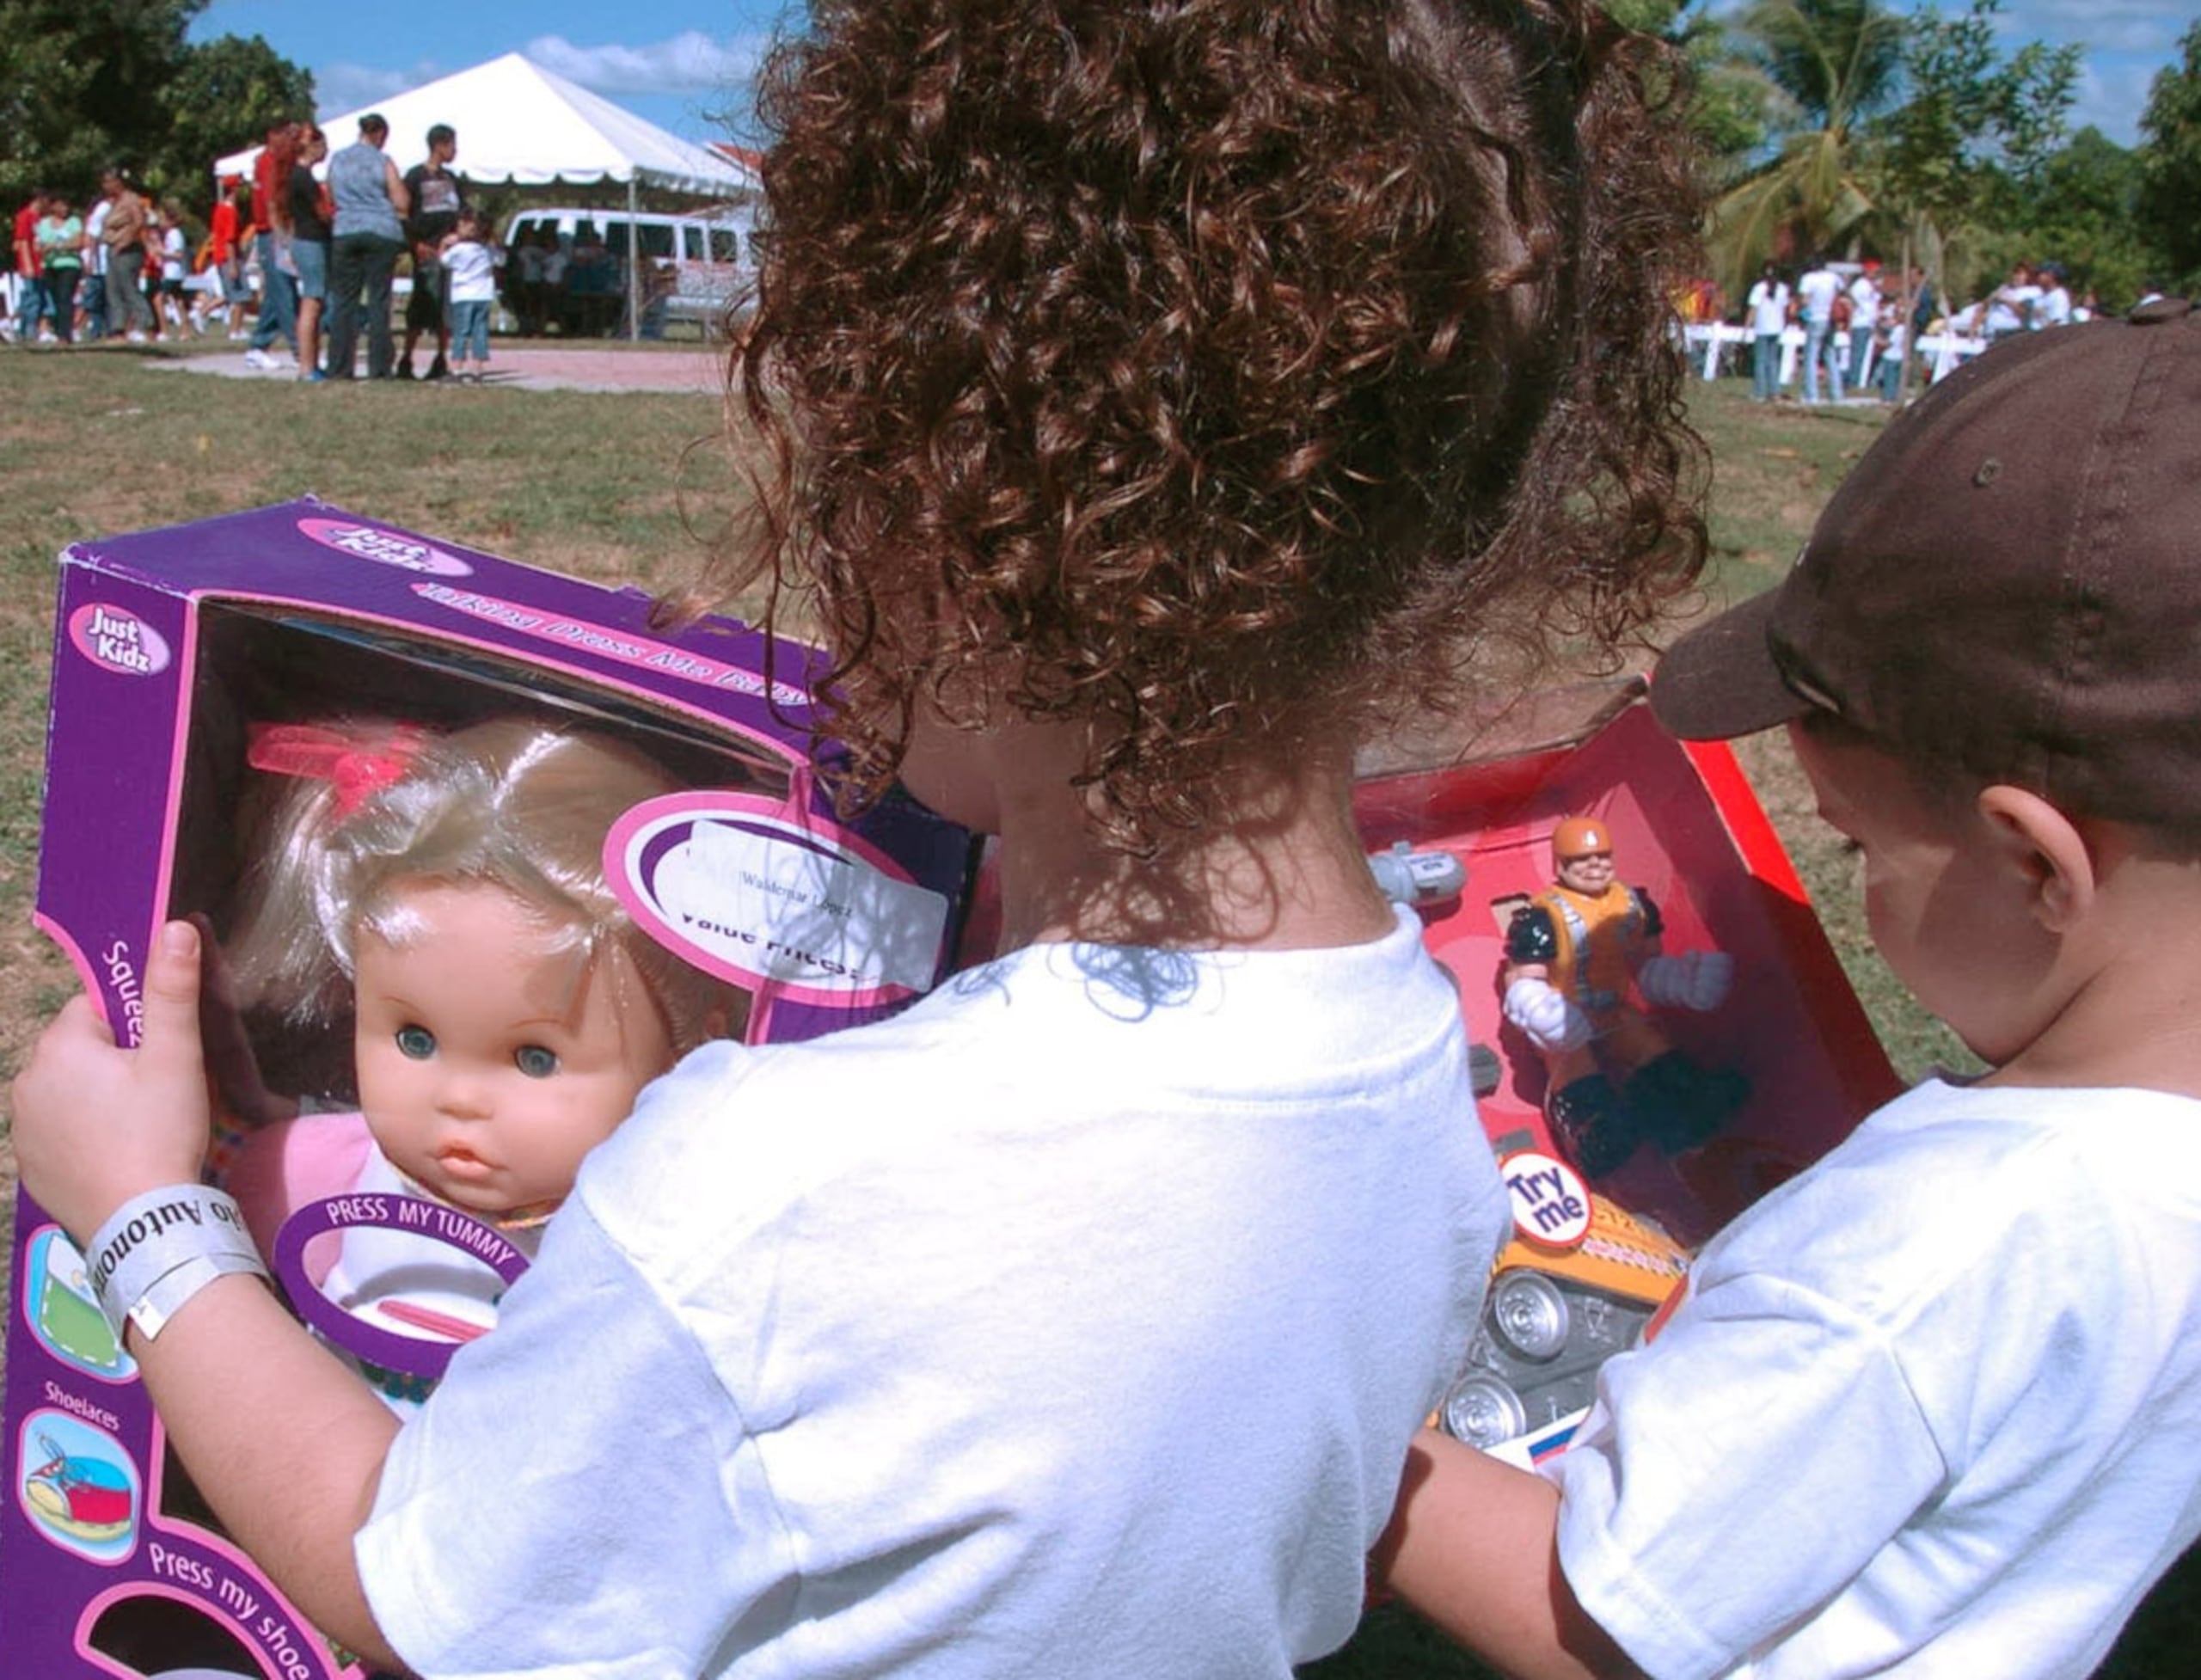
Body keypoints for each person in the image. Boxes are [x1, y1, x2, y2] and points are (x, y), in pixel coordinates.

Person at [11, 3, 1708, 1673]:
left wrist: (146, 1213)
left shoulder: (771, 1182)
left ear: (955, 509)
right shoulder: (1413, 1074)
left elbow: (402, 1582)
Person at [1377, 299, 2201, 1680]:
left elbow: (1593, 1625)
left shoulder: (1937, 1249)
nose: (1852, 874)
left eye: (1860, 840)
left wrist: (1344, 1435)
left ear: (2035, 864)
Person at [219, 719, 734, 1413]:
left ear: (683, 1056)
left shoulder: (647, 1249)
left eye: (534, 1058)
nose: (459, 1099)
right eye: (415, 1041)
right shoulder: (336, 1171)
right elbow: (249, 1204)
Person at [1499, 818, 1744, 1178]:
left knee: (1650, 1048)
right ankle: (1594, 1135)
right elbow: (1521, 977)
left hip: (1613, 1008)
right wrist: (1540, 1009)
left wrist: (1680, 981)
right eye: (1582, 859)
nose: (1594, 866)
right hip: (1565, 1019)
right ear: (1560, 865)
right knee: (1573, 1065)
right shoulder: (1542, 918)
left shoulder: (1632, 905)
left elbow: (1646, 963)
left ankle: (1685, 1114)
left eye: (1602, 857)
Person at [324, 112, 409, 380]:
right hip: (381, 231)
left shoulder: (337, 159)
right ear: (380, 134)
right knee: (378, 300)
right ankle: (380, 367)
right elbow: (401, 202)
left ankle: (339, 366)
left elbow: (331, 193)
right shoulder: (383, 161)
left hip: (346, 229)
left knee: (344, 301)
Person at [399, 122, 462, 379]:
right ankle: (407, 358)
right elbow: (403, 213)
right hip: (425, 252)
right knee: (422, 305)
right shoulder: (415, 176)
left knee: (445, 308)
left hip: (447, 252)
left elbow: (462, 212)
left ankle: (441, 358)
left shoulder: (451, 179)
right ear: (439, 146)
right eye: (451, 145)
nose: (455, 150)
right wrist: (414, 243)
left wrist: (456, 236)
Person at [243, 120, 301, 367]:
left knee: (277, 294)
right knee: (285, 293)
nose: (293, 140)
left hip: (275, 231)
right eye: (288, 135)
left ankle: (259, 344)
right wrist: (283, 236)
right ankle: (301, 350)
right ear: (273, 135)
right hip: (272, 233)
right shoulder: (269, 163)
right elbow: (271, 203)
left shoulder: (274, 161)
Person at [285, 124, 333, 379]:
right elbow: (322, 213)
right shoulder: (303, 178)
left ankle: (311, 363)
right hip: (311, 240)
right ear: (311, 146)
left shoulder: (295, 176)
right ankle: (306, 366)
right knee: (312, 302)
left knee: (314, 300)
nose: (325, 151)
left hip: (302, 239)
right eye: (323, 145)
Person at [438, 209, 496, 383]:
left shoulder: (458, 249)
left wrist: (443, 245)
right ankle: (477, 370)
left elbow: (443, 261)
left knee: (461, 333)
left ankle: (456, 368)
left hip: (463, 294)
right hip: (483, 294)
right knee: (480, 332)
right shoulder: (486, 250)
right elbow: (501, 259)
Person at [33, 198, 84, 345]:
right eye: (61, 205)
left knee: (65, 298)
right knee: (55, 299)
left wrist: (56, 246)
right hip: (50, 266)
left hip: (69, 265)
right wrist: (45, 248)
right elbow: (38, 245)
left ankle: (65, 334)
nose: (65, 209)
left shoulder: (74, 222)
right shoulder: (44, 223)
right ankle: (57, 329)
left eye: (66, 205)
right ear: (53, 206)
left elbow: (77, 242)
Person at [1795, 254, 1843, 403]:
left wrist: (1802, 313)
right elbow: (1841, 290)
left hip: (1815, 318)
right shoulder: (1833, 277)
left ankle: (1811, 394)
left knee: (1811, 357)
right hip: (1830, 319)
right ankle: (1836, 393)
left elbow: (1804, 300)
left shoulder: (1808, 279)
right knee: (1830, 355)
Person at [1744, 261, 1788, 402]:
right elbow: (1785, 308)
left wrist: (1747, 326)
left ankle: (1759, 392)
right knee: (1773, 361)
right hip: (1777, 327)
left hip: (1762, 328)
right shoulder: (1783, 288)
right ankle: (1774, 391)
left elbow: (1753, 309)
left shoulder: (1758, 288)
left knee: (1760, 361)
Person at [13, 187, 52, 345]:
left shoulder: (38, 218)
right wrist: (28, 265)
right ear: (39, 199)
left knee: (39, 298)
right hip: (30, 265)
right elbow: (21, 242)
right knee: (32, 299)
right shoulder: (25, 216)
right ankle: (26, 330)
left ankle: (27, 330)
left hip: (40, 264)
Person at [1843, 258, 1880, 388]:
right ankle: (1853, 380)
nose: (1876, 274)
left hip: (1869, 322)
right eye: (1874, 271)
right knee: (1857, 353)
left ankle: (1861, 379)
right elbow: (1852, 304)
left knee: (1865, 353)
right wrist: (1850, 322)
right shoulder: (1860, 285)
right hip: (1860, 322)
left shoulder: (1872, 285)